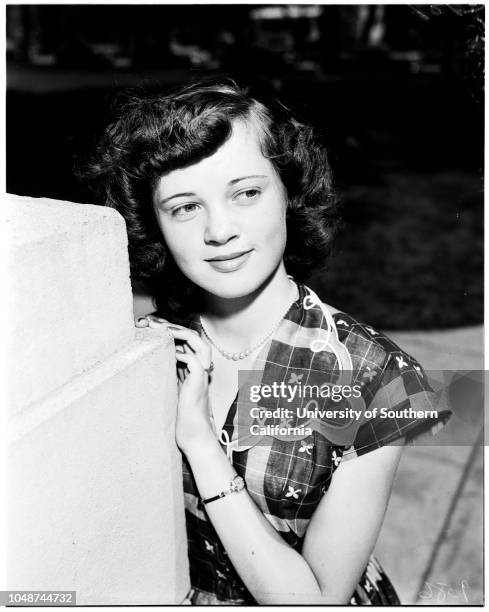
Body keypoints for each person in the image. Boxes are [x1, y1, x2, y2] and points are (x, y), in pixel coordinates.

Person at [84, 79, 451, 605]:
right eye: (185, 207)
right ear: (155, 225)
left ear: (290, 193)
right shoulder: (144, 349)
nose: (219, 230)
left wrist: (202, 446)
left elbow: (315, 601)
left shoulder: (384, 381)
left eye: (246, 192)